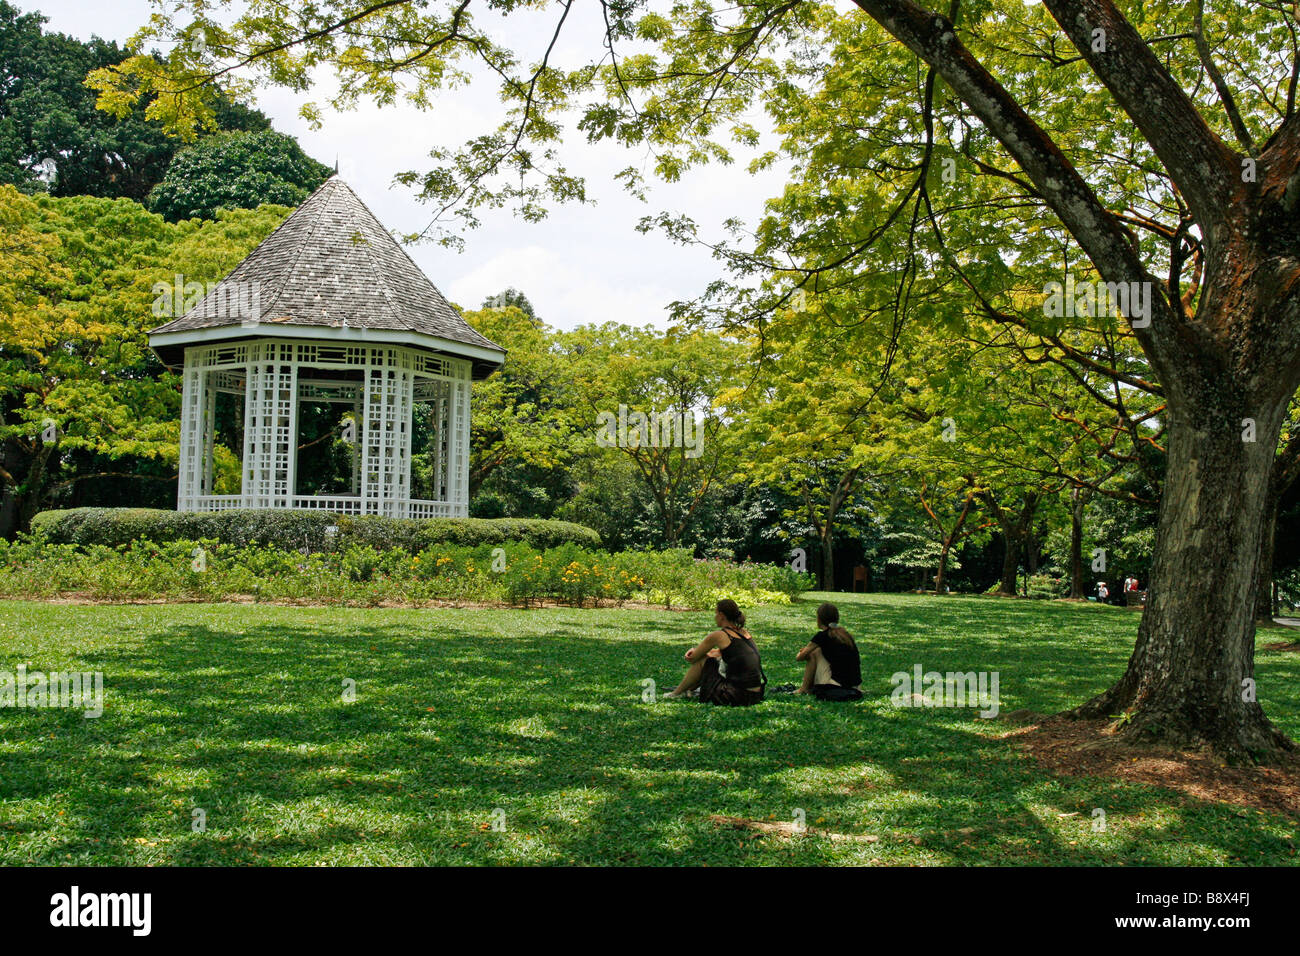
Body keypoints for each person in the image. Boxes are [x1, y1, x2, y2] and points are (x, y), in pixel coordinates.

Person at [663, 599, 765, 705]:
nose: (715, 617)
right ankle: (687, 690)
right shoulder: (743, 633)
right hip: (755, 696)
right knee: (709, 659)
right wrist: (703, 652)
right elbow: (722, 653)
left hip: (736, 696)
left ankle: (676, 693)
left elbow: (693, 658)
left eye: (715, 613)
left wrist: (693, 652)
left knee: (703, 661)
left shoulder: (719, 635)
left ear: (721, 615)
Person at [795, 602, 863, 701]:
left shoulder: (822, 636)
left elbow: (799, 658)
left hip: (836, 686)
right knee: (817, 650)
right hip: (855, 686)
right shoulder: (844, 634)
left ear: (819, 619)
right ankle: (807, 688)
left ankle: (804, 688)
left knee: (812, 653)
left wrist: (802, 652)